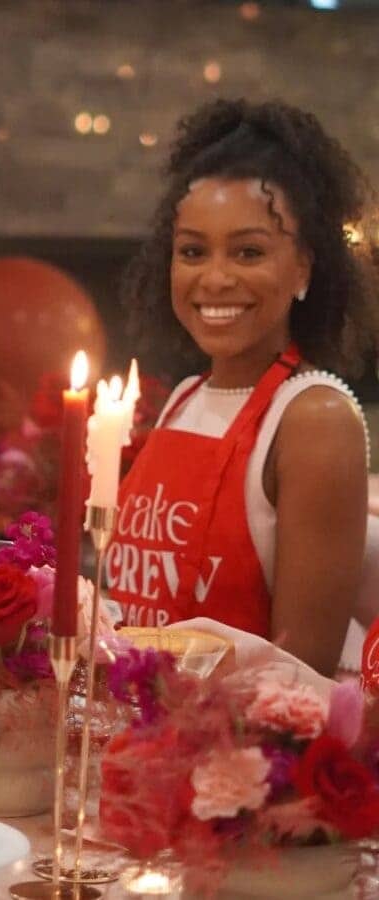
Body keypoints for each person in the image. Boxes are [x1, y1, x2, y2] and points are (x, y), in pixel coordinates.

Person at [110, 98, 377, 675]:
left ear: (304, 267)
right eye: (193, 251)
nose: (216, 277)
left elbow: (298, 679)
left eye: (249, 251)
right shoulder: (183, 398)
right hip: (131, 739)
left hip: (233, 756)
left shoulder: (315, 419)